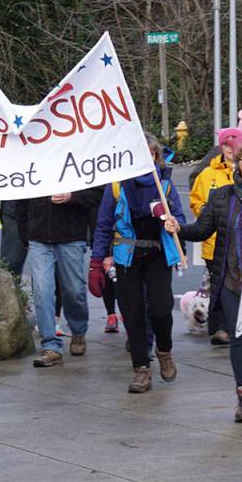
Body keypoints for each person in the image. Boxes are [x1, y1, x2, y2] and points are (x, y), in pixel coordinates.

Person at [90, 133, 185, 393]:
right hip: (127, 257)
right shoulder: (117, 185)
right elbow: (103, 226)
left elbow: (180, 219)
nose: (145, 160)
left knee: (160, 310)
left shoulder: (164, 186)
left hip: (157, 254)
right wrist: (96, 262)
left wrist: (174, 223)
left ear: (156, 157)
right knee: (132, 314)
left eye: (150, 155)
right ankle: (141, 369)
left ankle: (164, 351)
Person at [176, 137, 242, 421]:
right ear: (237, 164)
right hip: (232, 280)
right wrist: (177, 228)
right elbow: (202, 230)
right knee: (239, 339)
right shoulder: (222, 195)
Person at [14, 188, 102, 366]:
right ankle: (50, 345)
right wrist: (25, 233)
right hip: (39, 237)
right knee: (42, 291)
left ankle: (78, 331)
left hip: (71, 236)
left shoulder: (76, 161)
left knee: (74, 290)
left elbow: (97, 192)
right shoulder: (33, 162)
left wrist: (73, 197)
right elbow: (22, 196)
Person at [189, 127, 242, 346]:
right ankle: (220, 328)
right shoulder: (208, 174)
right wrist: (208, 213)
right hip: (215, 243)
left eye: (234, 146)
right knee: (220, 285)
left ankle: (239, 325)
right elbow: (196, 202)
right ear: (220, 147)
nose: (231, 150)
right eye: (227, 146)